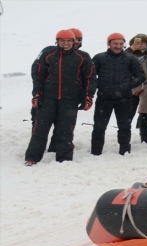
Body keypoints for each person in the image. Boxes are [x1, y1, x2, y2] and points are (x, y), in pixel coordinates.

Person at [25, 30, 97, 166]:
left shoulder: (82, 57)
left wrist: (88, 97)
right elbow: (39, 76)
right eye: (62, 41)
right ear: (57, 41)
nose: (66, 43)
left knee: (66, 129)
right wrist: (37, 94)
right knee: (40, 128)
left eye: (69, 41)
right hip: (48, 98)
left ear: (74, 42)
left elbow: (90, 78)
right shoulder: (48, 55)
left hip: (70, 99)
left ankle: (64, 158)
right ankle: (32, 157)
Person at [30, 28, 86, 152]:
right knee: (39, 123)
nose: (75, 42)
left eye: (78, 40)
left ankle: (55, 147)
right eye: (74, 39)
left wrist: (82, 96)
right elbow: (37, 71)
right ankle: (36, 149)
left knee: (63, 125)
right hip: (46, 96)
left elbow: (84, 78)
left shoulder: (81, 57)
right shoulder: (48, 52)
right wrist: (41, 91)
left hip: (68, 98)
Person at [91, 33, 145, 156]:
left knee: (125, 126)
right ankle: (96, 151)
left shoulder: (130, 58)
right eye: (115, 43)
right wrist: (99, 86)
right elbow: (91, 76)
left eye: (121, 44)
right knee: (99, 127)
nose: (118, 46)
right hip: (104, 98)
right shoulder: (99, 58)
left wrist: (128, 85)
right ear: (109, 44)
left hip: (124, 98)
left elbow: (141, 76)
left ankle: (124, 151)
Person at [125, 34, 147, 121]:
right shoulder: (129, 54)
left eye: (143, 42)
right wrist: (130, 50)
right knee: (129, 112)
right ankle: (125, 128)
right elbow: (120, 61)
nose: (140, 44)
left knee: (146, 114)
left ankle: (143, 131)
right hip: (132, 87)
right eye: (137, 42)